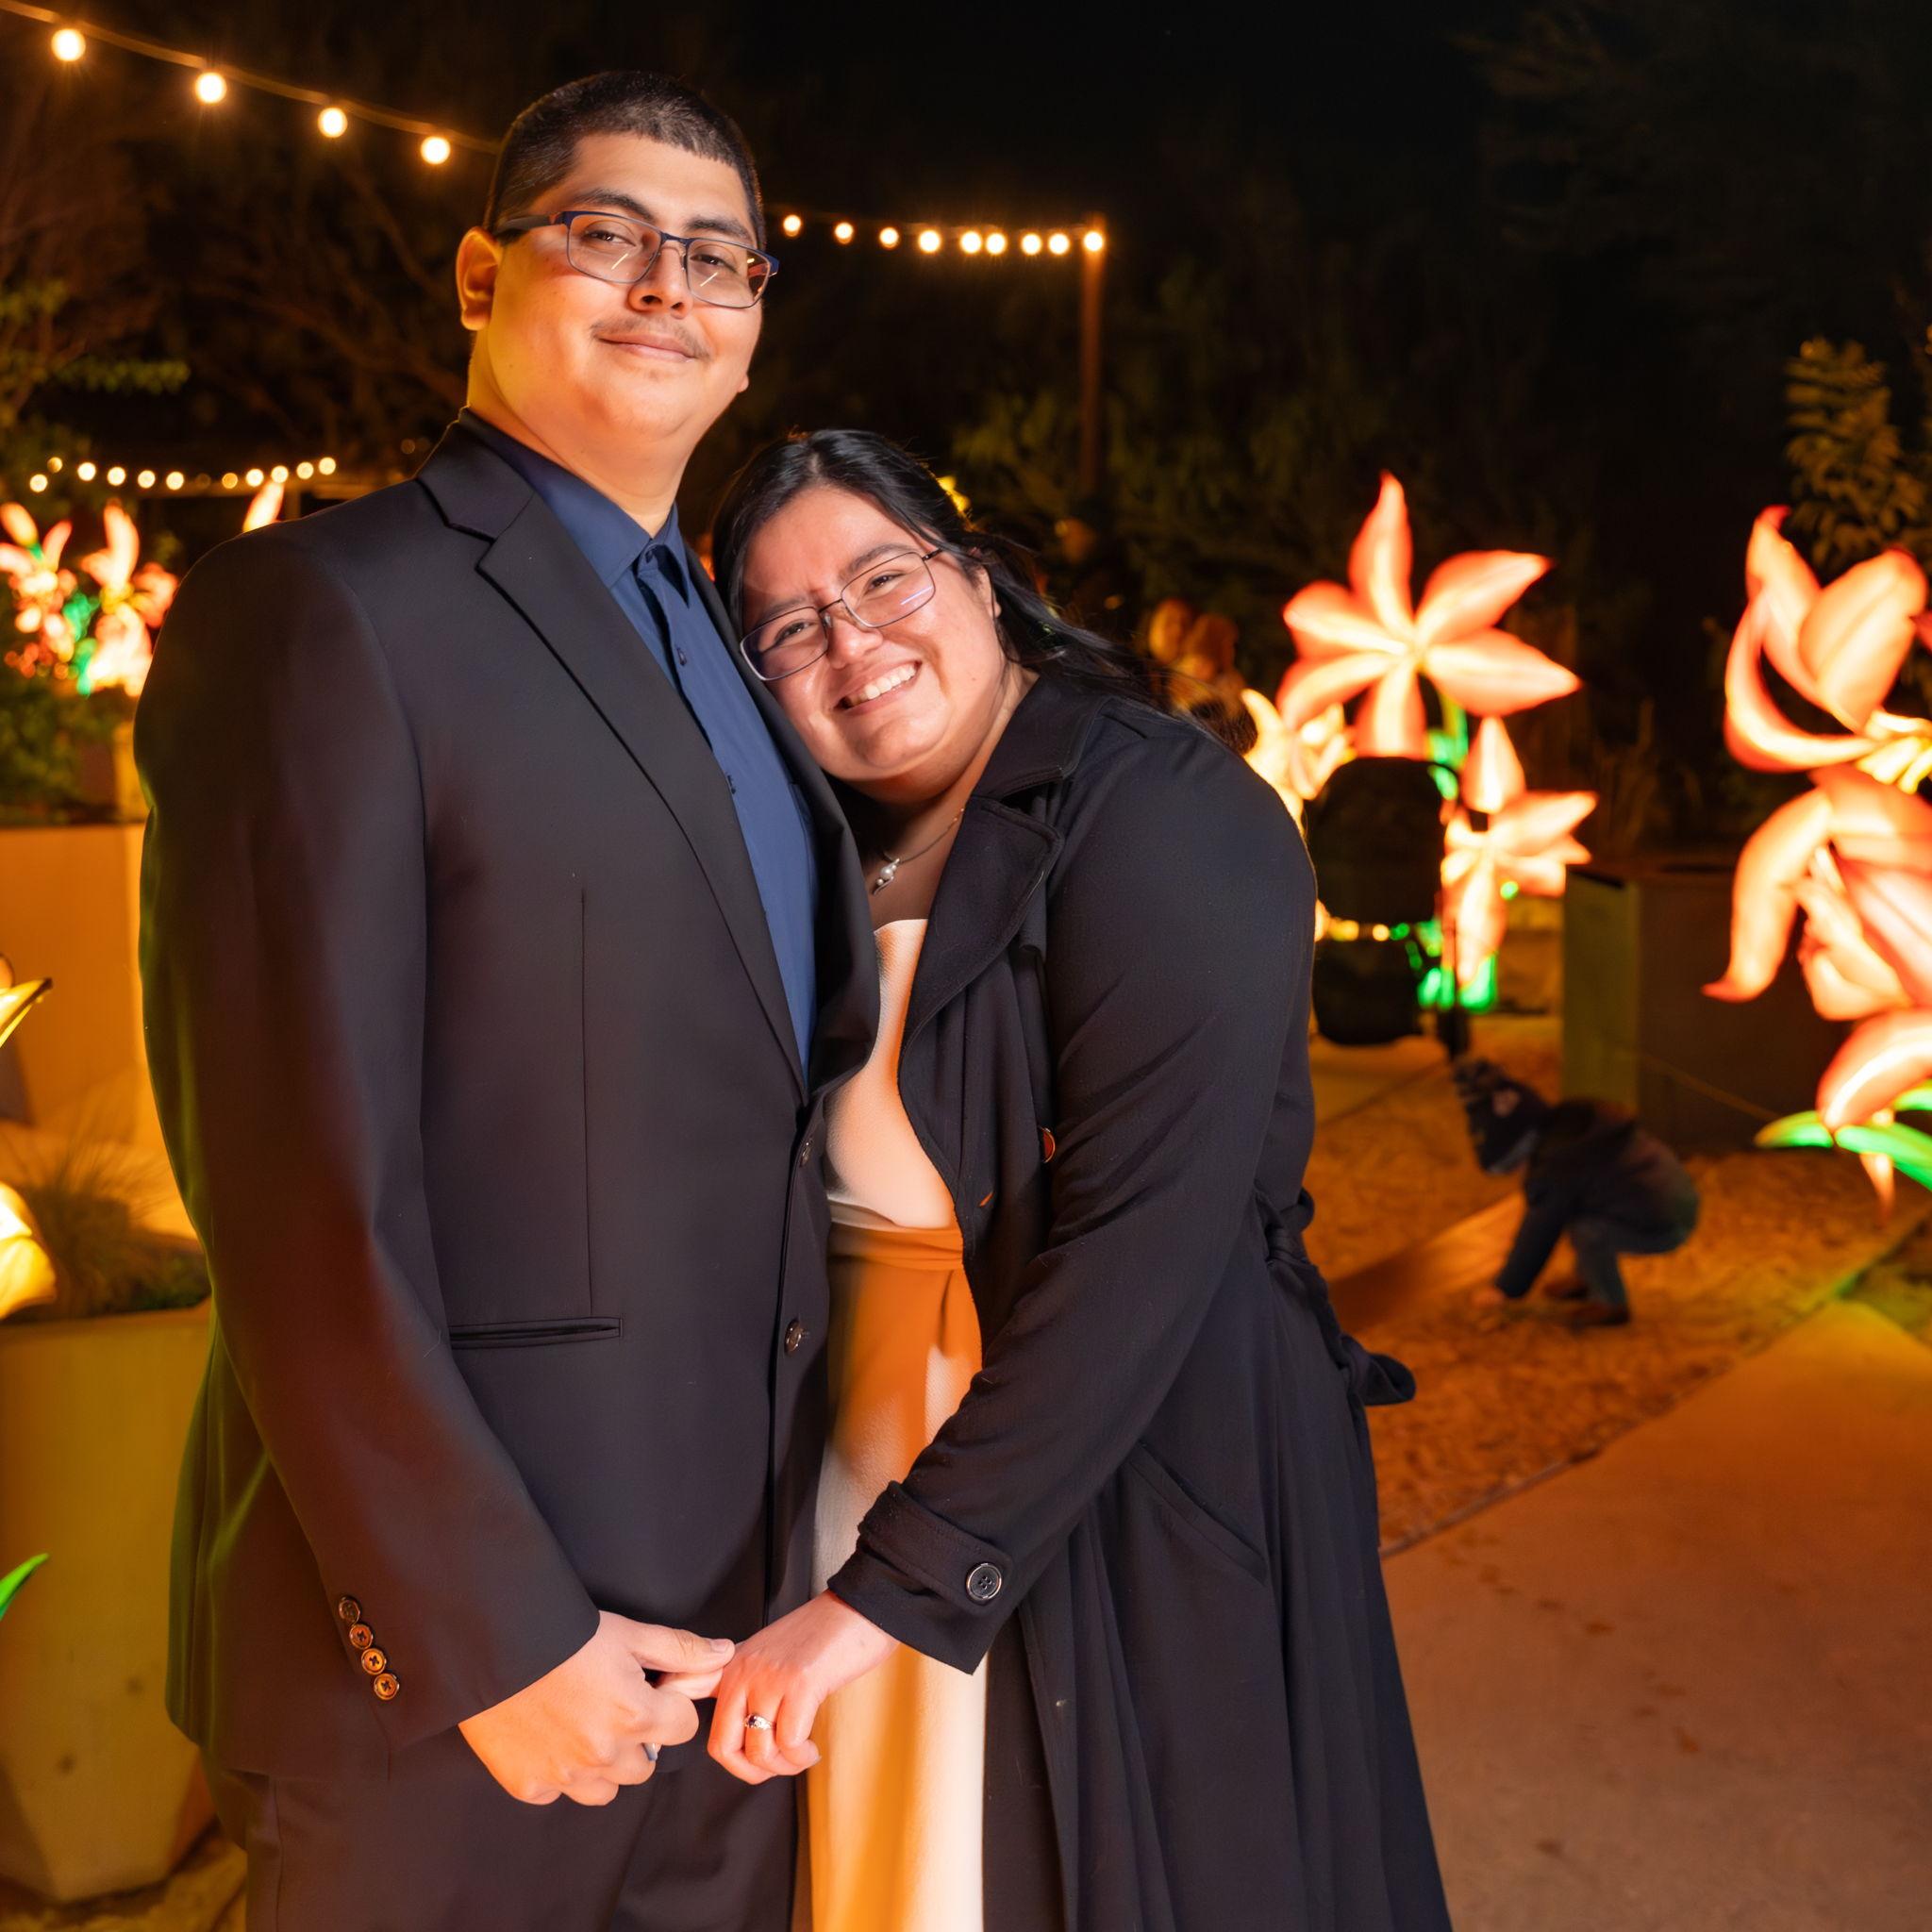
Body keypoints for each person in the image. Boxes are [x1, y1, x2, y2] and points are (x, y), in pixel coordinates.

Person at [136, 74, 876, 1928]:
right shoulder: (323, 611)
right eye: (606, 234)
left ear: (756, 316)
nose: (666, 286)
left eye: (716, 256)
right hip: (459, 1684)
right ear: (480, 276)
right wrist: (489, 1631)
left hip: (731, 1658)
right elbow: (293, 1187)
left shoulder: (739, 652)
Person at [674, 428, 1455, 1929]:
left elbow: (1141, 1249)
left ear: (980, 577)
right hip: (868, 1450)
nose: (854, 643)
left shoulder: (1159, 809)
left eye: (885, 579)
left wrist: (890, 1593)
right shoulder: (822, 847)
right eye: (791, 627)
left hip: (1115, 1456)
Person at [1455, 1059, 1700, 1329]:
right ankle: (1589, 1278)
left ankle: (1610, 1303)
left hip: (1664, 1224)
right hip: (1674, 1203)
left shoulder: (1556, 1168)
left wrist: (1505, 1288)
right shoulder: (1574, 1132)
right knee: (1580, 1207)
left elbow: (1537, 1232)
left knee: (1587, 1229)